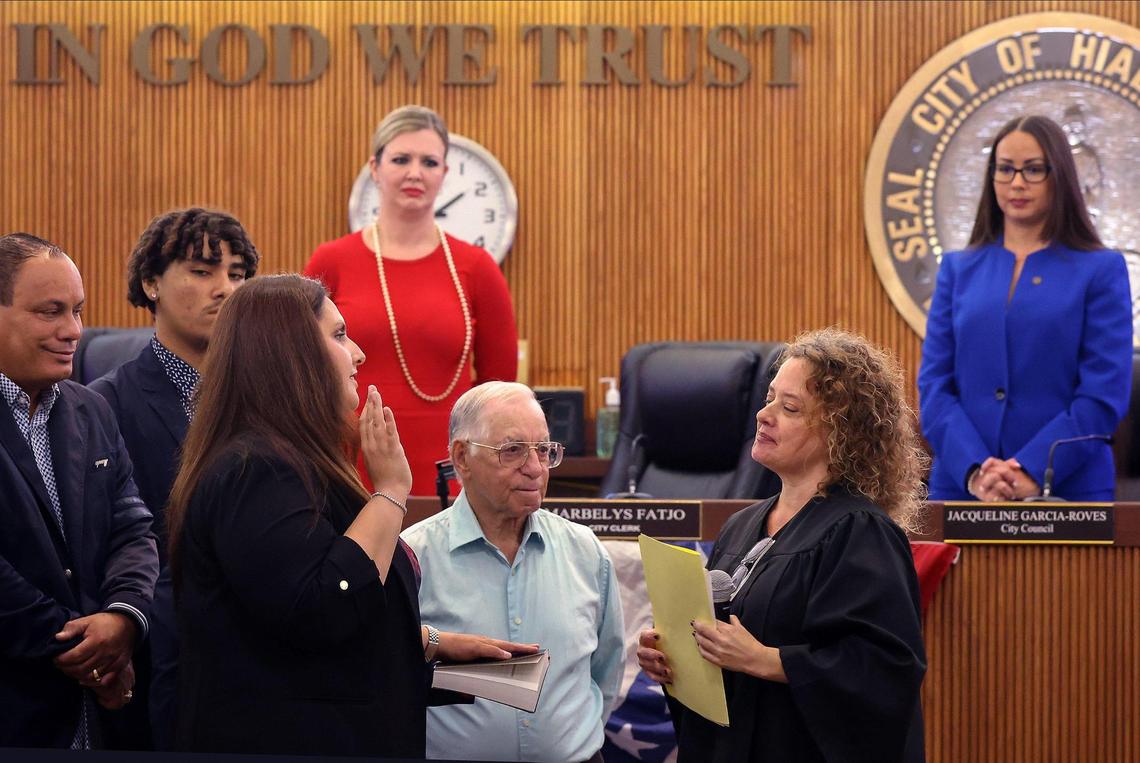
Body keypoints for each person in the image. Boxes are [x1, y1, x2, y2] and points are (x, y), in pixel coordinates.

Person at [165, 275, 533, 756]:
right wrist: (392, 490)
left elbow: (284, 619)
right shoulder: (256, 470)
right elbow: (324, 610)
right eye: (339, 335)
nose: (358, 353)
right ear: (290, 355)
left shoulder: (291, 463)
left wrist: (428, 643)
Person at [637, 329, 927, 763]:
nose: (764, 415)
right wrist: (676, 660)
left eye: (789, 407)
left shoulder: (860, 532)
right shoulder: (740, 526)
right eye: (769, 398)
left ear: (841, 432)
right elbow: (719, 650)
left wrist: (767, 660)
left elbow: (884, 672)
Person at [89, 207, 260, 750]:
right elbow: (107, 546)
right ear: (151, 283)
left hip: (261, 654)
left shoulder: (268, 400)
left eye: (237, 274)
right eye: (203, 270)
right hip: (159, 656)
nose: (225, 289)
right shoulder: (104, 404)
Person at [403, 381, 625, 763]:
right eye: (513, 451)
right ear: (462, 458)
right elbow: (392, 674)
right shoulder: (413, 555)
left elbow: (606, 670)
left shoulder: (584, 551)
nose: (535, 468)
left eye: (543, 449)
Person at [305, 104, 518, 496]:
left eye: (429, 161)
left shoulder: (477, 267)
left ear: (445, 174)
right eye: (401, 159)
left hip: (451, 473)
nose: (415, 172)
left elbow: (500, 394)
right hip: (347, 465)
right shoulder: (330, 261)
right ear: (374, 168)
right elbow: (300, 371)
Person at [918, 114, 1132, 502]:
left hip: (1068, 488)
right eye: (1005, 169)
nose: (1017, 182)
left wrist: (1032, 469)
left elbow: (1102, 396)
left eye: (1033, 169)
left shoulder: (1101, 270)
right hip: (964, 487)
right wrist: (976, 470)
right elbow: (935, 388)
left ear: (1060, 175)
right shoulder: (957, 269)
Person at [0, 233, 159, 747]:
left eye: (78, 311)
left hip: (99, 715)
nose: (72, 331)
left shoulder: (90, 408)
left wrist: (123, 618)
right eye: (50, 312)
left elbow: (132, 529)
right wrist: (89, 649)